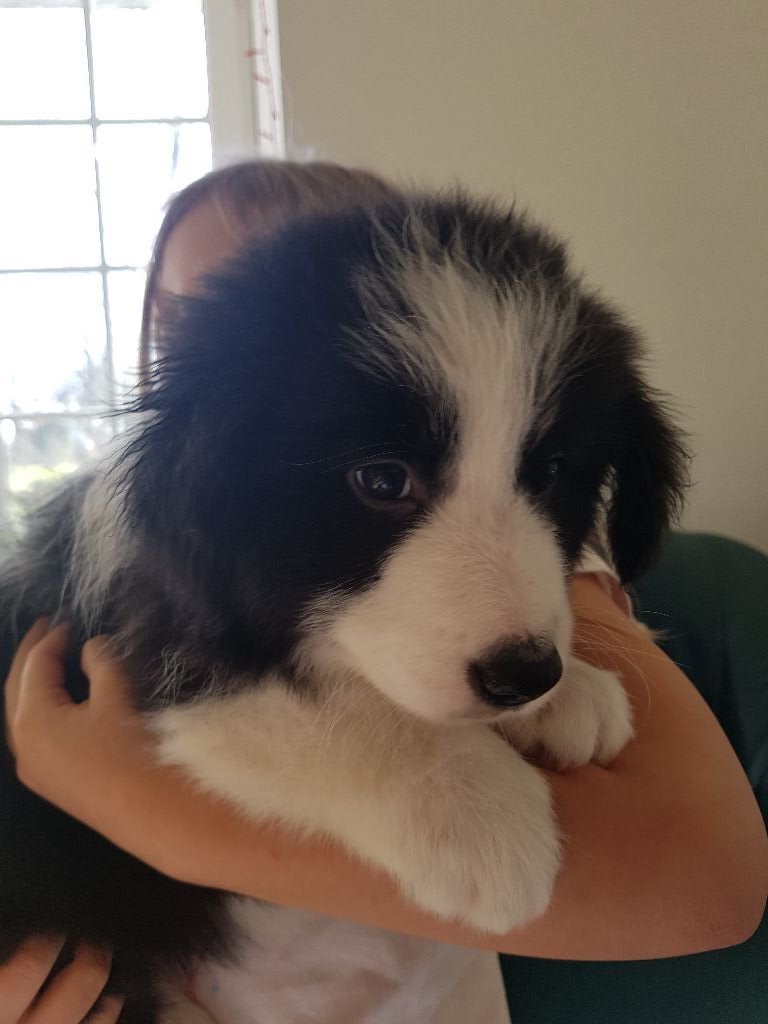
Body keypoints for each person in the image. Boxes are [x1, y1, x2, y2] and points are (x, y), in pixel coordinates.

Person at [3, 161, 766, 1023]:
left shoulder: (551, 570)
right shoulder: (174, 519)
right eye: (184, 316)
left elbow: (714, 882)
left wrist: (156, 816)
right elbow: (206, 683)